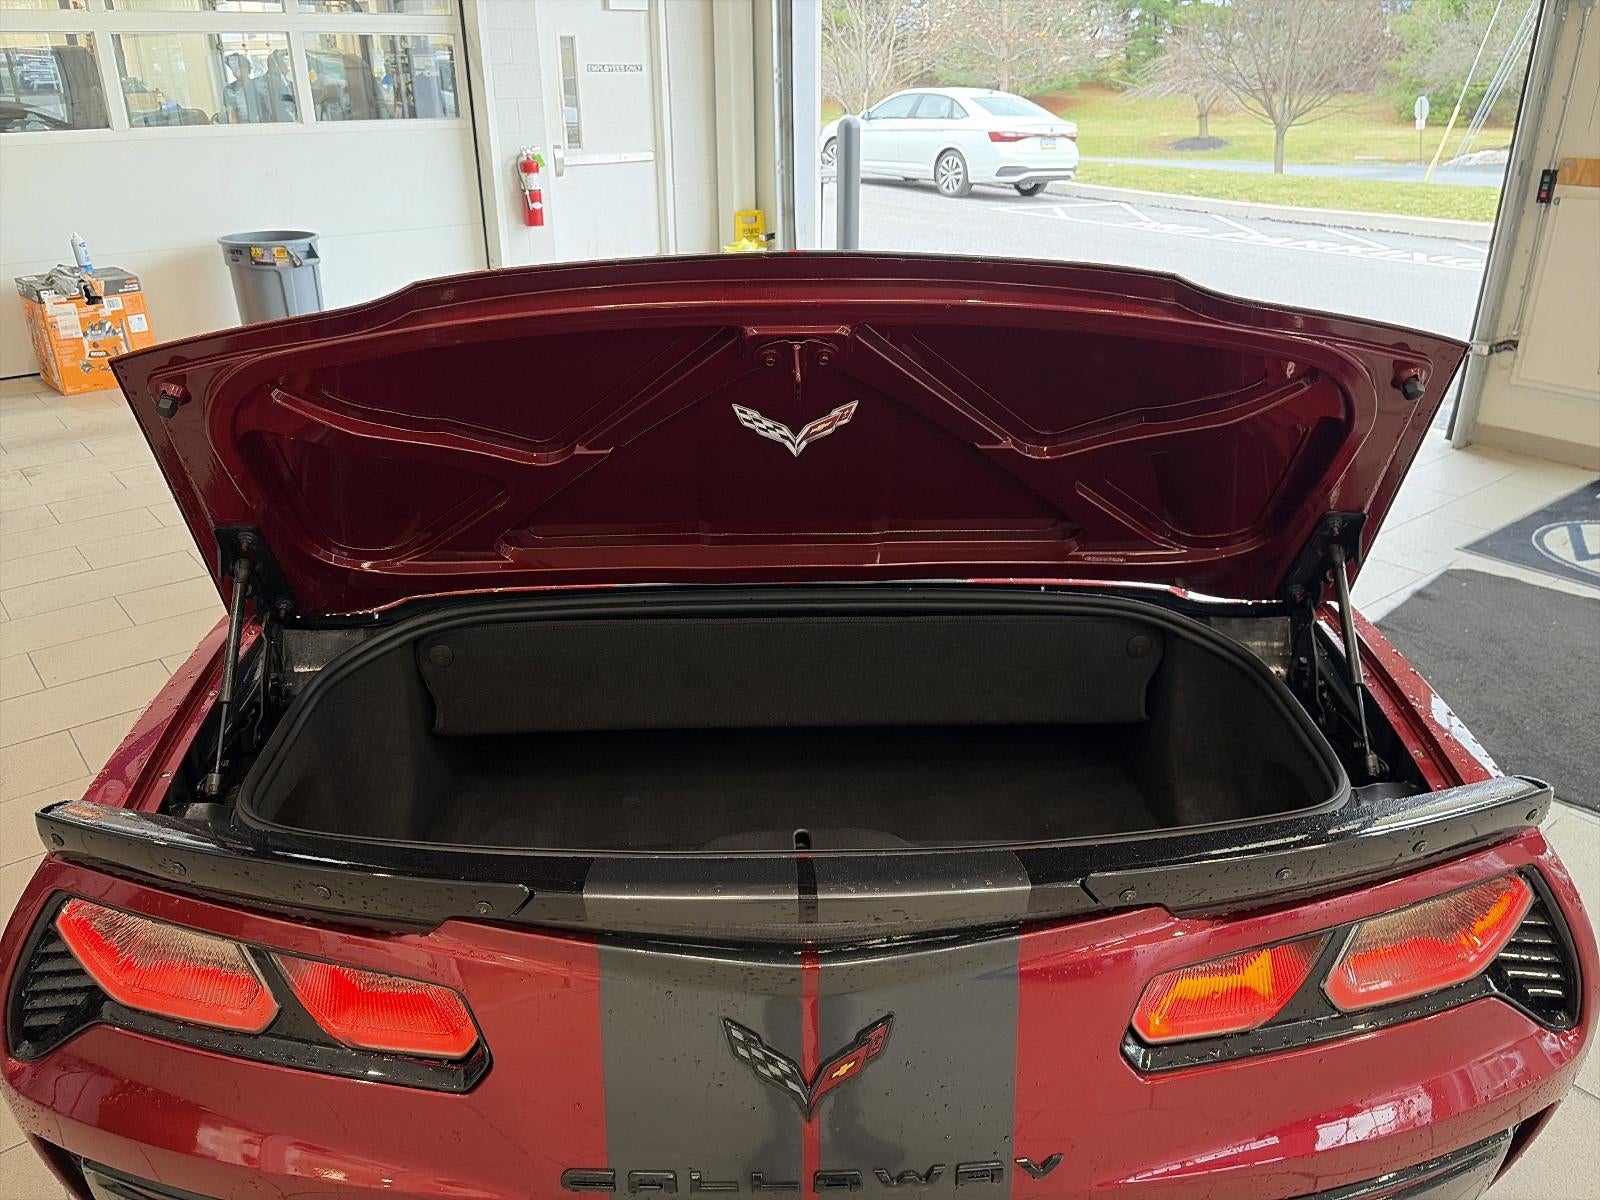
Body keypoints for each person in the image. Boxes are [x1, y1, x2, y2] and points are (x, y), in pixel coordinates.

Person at [221, 53, 267, 124]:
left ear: (247, 68)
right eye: (233, 68)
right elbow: (231, 114)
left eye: (239, 67)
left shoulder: (258, 85)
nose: (236, 71)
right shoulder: (229, 90)